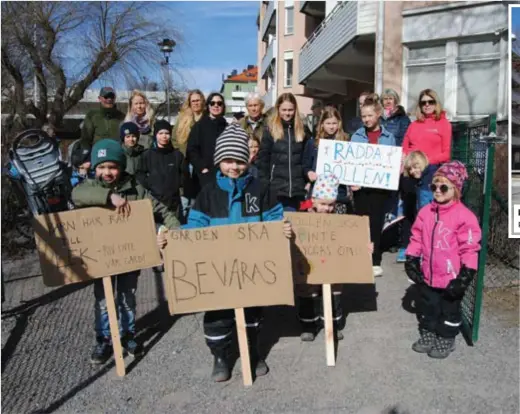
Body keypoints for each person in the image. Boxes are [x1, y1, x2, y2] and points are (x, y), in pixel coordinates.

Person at [158, 123, 292, 382]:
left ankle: (252, 353)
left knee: (253, 316)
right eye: (228, 160)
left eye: (239, 160)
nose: (234, 167)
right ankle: (220, 356)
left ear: (248, 159)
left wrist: (282, 228)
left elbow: (276, 218)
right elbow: (196, 226)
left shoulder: (260, 189)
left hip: (252, 269)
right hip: (218, 273)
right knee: (217, 320)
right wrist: (172, 239)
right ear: (219, 161)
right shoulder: (208, 193)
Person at [71, 139, 146, 364]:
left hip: (128, 255)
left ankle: (127, 334)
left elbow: (156, 207)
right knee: (103, 300)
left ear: (121, 167)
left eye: (112, 167)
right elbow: (77, 195)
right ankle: (104, 338)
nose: (107, 172)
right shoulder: (89, 187)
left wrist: (169, 228)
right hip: (101, 258)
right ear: (94, 168)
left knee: (127, 297)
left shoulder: (135, 187)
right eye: (102, 167)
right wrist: (108, 197)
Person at [405, 161, 481, 359]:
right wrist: (412, 259)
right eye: (434, 186)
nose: (437, 190)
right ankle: (429, 333)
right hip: (429, 274)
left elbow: (470, 248)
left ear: (455, 189)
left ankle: (446, 337)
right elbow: (416, 238)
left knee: (449, 310)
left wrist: (466, 275)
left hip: (452, 276)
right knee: (429, 307)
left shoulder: (465, 217)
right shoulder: (425, 213)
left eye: (443, 187)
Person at [296, 173, 374, 342]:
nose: (327, 209)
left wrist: (364, 246)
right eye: (323, 204)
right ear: (314, 199)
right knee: (307, 290)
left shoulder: (339, 212)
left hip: (333, 260)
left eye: (330, 205)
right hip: (309, 261)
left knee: (335, 290)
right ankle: (308, 325)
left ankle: (332, 324)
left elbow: (351, 234)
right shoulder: (302, 212)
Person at [351, 94, 396, 277]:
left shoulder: (389, 137)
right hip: (360, 188)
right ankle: (362, 257)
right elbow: (351, 162)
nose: (367, 119)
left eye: (370, 115)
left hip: (379, 188)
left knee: (376, 223)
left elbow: (391, 162)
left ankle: (375, 260)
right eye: (364, 116)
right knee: (362, 222)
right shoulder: (356, 136)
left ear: (378, 114)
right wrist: (352, 182)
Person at [255, 92, 310, 212]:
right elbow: (263, 159)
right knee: (281, 226)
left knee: (299, 226)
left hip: (299, 190)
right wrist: (266, 184)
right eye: (284, 110)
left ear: (295, 109)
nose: (287, 113)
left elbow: (307, 158)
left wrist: (307, 180)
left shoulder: (303, 130)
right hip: (277, 190)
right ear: (278, 109)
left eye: (290, 110)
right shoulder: (270, 130)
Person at [402, 89, 452, 209]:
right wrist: (410, 162)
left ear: (436, 103)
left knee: (426, 208)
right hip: (411, 171)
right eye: (423, 103)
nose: (427, 105)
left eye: (430, 101)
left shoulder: (443, 124)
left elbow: (446, 154)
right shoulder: (413, 125)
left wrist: (425, 162)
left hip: (430, 171)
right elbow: (404, 147)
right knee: (408, 209)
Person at [302, 106, 352, 214]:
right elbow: (305, 165)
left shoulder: (346, 143)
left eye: (334, 123)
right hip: (317, 197)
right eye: (328, 123)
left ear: (339, 123)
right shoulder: (313, 143)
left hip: (339, 196)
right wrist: (308, 172)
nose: (331, 127)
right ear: (322, 124)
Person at [135, 120, 183, 228]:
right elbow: (140, 174)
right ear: (155, 135)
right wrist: (150, 184)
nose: (164, 136)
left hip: (173, 202)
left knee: (174, 229)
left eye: (167, 133)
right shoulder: (148, 155)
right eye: (160, 133)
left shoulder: (177, 155)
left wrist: (178, 185)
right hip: (155, 201)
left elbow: (183, 175)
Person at [171, 89, 206, 222]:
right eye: (193, 101)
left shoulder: (207, 118)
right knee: (185, 197)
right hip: (185, 162)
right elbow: (174, 139)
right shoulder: (182, 119)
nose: (196, 103)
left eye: (198, 100)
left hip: (202, 162)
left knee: (199, 198)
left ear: (202, 101)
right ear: (189, 103)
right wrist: (180, 155)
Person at [186, 92, 228, 191]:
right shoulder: (199, 126)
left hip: (224, 175)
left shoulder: (227, 127)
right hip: (204, 176)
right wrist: (202, 168)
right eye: (212, 103)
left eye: (219, 103)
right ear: (208, 106)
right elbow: (191, 150)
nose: (216, 105)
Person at [397, 151, 428, 263]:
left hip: (424, 210)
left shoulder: (429, 177)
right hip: (411, 210)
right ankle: (405, 246)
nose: (413, 171)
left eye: (416, 167)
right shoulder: (407, 179)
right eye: (410, 169)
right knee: (408, 220)